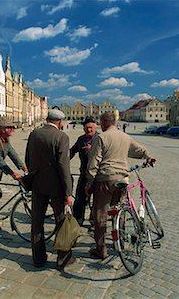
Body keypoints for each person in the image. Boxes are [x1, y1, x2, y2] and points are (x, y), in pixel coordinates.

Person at [85, 112, 156, 259]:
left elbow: (93, 163)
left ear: (103, 123)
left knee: (100, 215)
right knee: (120, 211)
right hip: (122, 179)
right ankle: (121, 242)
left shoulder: (101, 137)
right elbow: (139, 150)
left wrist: (89, 183)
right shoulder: (124, 136)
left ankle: (101, 249)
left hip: (105, 179)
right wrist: (148, 156)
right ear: (115, 123)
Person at [25, 109, 75, 270]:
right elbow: (63, 166)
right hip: (56, 187)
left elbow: (28, 158)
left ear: (47, 119)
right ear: (60, 123)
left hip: (37, 185)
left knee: (37, 222)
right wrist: (68, 192)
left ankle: (38, 258)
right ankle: (63, 258)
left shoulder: (34, 134)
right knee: (61, 221)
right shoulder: (61, 137)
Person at [69, 116, 98, 226]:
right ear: (83, 128)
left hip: (97, 175)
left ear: (95, 128)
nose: (89, 130)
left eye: (91, 128)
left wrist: (92, 151)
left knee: (97, 200)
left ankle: (94, 220)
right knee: (80, 199)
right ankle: (77, 221)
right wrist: (62, 160)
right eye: (86, 128)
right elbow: (72, 151)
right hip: (84, 174)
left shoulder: (100, 139)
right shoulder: (81, 139)